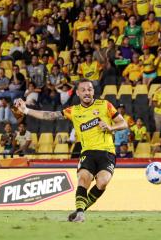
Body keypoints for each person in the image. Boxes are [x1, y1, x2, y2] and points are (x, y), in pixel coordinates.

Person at [15, 79, 128, 222]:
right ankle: (80, 214)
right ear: (78, 93)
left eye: (90, 89)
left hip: (107, 152)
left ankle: (80, 208)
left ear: (93, 91)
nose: (87, 92)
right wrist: (26, 110)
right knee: (83, 178)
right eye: (84, 90)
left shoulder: (105, 105)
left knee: (102, 183)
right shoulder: (73, 111)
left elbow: (123, 123)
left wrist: (111, 128)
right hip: (87, 152)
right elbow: (50, 115)